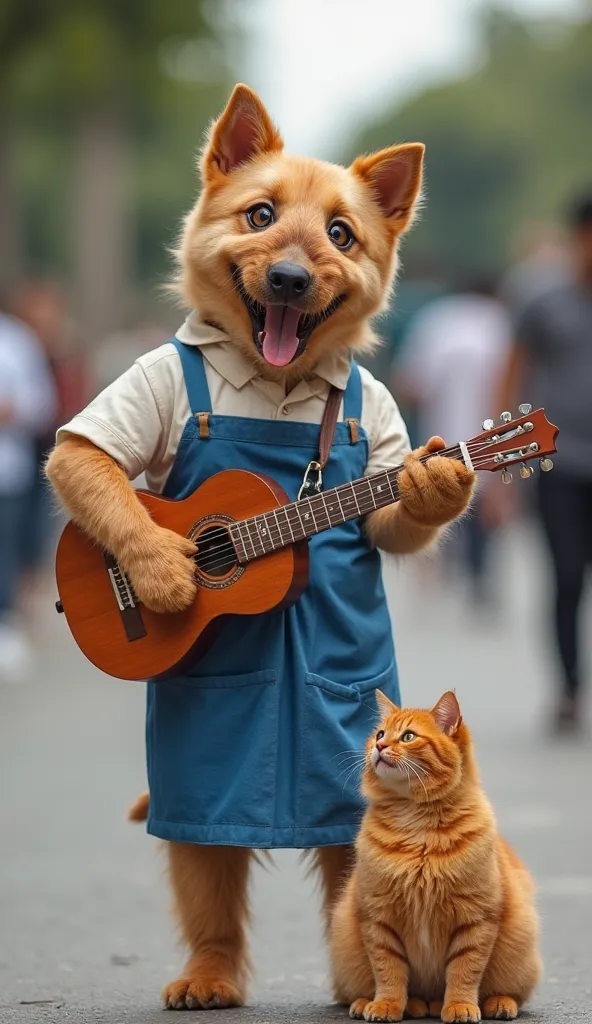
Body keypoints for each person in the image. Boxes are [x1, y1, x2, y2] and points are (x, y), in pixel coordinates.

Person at [500, 193, 592, 732]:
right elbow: (512, 375)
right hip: (560, 465)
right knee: (566, 575)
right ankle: (568, 688)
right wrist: (506, 466)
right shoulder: (542, 302)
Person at [394, 277, 513, 605]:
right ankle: (480, 573)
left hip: (442, 431)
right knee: (488, 501)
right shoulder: (502, 323)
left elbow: (411, 384)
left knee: (446, 494)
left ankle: (443, 563)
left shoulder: (438, 320)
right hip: (496, 433)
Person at [0, 310, 57, 681]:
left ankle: (5, 625)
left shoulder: (14, 340)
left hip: (6, 473)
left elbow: (42, 404)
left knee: (5, 552)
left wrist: (10, 411)